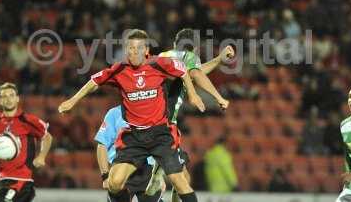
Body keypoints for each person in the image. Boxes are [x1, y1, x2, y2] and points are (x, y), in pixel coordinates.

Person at [59, 29, 204, 202]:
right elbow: (94, 81)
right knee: (114, 182)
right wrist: (72, 101)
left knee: (180, 181)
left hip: (160, 134)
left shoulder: (158, 64)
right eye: (130, 48)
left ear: (146, 50)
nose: (134, 52)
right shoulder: (119, 69)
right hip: (134, 136)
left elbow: (183, 71)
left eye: (138, 48)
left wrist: (193, 95)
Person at [146, 28, 234, 201]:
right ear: (194, 49)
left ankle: (157, 174)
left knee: (183, 178)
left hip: (147, 121)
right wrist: (219, 98)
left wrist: (218, 60)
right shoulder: (186, 56)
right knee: (180, 181)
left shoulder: (165, 56)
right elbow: (195, 73)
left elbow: (194, 72)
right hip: (163, 125)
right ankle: (156, 174)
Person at [0, 82, 52, 202]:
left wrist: (41, 156)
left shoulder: (27, 120)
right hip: (4, 180)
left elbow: (47, 137)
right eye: (4, 96)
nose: (8, 99)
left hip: (22, 181)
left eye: (11, 95)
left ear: (17, 99)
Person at [95, 105, 165, 202]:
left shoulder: (153, 113)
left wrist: (159, 176)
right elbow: (102, 145)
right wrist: (105, 176)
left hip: (148, 171)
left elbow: (160, 146)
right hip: (120, 170)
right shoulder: (115, 113)